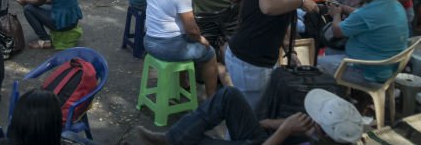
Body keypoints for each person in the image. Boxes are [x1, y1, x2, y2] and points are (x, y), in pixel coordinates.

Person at [226, 0, 319, 109]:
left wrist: (288, 51)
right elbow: (268, 6)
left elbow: (279, 21)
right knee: (249, 116)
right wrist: (301, 2)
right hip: (250, 60)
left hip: (257, 59)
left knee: (253, 113)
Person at [132, 87, 363, 145]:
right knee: (229, 96)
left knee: (197, 141)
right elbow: (293, 128)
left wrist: (283, 132)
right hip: (265, 139)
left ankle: (172, 139)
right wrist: (273, 124)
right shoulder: (323, 135)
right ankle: (173, 138)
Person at [144, 0, 219, 98]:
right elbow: (192, 30)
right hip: (166, 46)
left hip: (149, 41)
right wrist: (203, 40)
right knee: (210, 53)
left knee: (185, 40)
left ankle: (183, 83)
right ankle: (212, 98)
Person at [320, 0, 409, 83]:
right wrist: (342, 7)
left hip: (368, 72)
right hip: (387, 65)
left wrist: (336, 14)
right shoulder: (392, 3)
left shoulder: (368, 13)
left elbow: (337, 31)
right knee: (331, 49)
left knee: (317, 63)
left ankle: (343, 92)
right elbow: (361, 15)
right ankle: (345, 90)